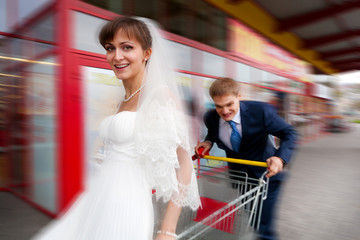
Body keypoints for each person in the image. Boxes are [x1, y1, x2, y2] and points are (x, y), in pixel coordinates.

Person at [32, 17, 201, 240]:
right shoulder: (123, 99)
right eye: (110, 48)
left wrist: (167, 229)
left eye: (127, 47)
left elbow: (184, 164)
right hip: (96, 198)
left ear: (147, 53)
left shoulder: (160, 95)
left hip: (127, 207)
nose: (116, 56)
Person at [195, 77, 297, 240]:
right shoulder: (211, 118)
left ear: (239, 96)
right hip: (243, 179)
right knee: (254, 222)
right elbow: (213, 133)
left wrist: (280, 159)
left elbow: (290, 133)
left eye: (229, 104)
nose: (225, 111)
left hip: (267, 178)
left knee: (264, 229)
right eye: (219, 106)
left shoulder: (261, 112)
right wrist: (208, 142)